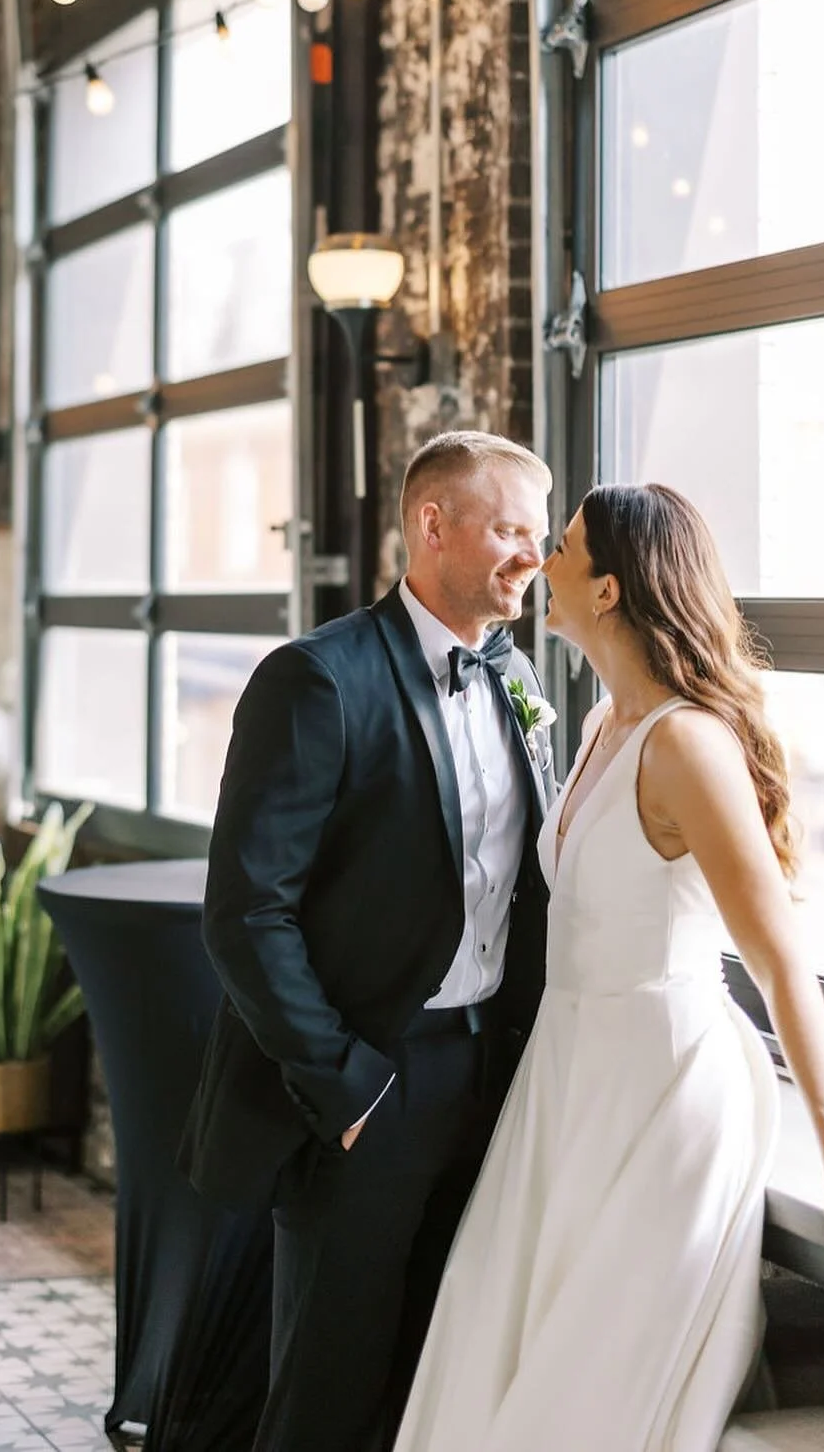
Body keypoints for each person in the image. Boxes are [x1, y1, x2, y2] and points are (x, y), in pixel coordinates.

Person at [393, 483, 824, 1452]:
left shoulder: (686, 744)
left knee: (588, 1380)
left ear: (606, 589)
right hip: (567, 1079)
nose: (537, 561)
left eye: (559, 546)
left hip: (663, 1087)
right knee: (496, 1336)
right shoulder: (604, 721)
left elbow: (778, 960)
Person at [178, 430, 556, 1452]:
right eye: (511, 530)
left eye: (538, 533)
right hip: (371, 1080)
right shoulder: (317, 678)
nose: (533, 556)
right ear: (433, 524)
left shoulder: (516, 673)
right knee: (329, 1384)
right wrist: (346, 1087)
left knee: (438, 1375)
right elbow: (246, 912)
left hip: (489, 1076)